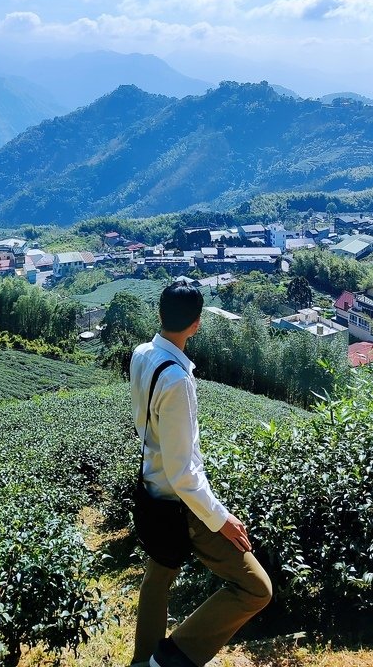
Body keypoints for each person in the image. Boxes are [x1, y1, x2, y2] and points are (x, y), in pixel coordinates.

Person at [129, 281, 272, 667]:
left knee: (159, 576)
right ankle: (170, 660)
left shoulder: (142, 354)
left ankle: (144, 662)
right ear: (196, 324)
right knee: (255, 588)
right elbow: (183, 474)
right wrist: (222, 519)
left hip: (151, 491)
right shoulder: (177, 380)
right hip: (181, 504)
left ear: (160, 313)